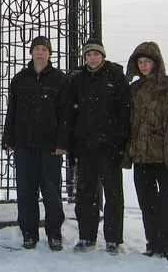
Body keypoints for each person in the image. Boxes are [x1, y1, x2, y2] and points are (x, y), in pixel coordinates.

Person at [1, 36, 71, 251]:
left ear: (50, 54)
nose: (40, 53)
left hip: (50, 146)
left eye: (44, 50)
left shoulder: (60, 79)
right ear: (31, 53)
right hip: (24, 145)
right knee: (25, 192)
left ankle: (54, 233)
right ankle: (29, 233)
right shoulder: (20, 79)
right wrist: (9, 139)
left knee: (51, 192)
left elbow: (66, 114)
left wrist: (62, 142)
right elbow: (11, 111)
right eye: (37, 49)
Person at [69, 38, 130, 254]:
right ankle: (87, 237)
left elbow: (124, 111)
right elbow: (71, 113)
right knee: (86, 193)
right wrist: (73, 143)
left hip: (109, 146)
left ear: (102, 56)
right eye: (88, 54)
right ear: (84, 57)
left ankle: (113, 239)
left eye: (96, 54)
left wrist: (120, 141)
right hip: (85, 146)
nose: (92, 58)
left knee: (113, 194)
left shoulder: (115, 76)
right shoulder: (78, 79)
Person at [125, 41, 168, 261]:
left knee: (166, 203)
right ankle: (152, 242)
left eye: (147, 61)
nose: (144, 65)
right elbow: (129, 122)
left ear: (156, 63)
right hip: (141, 155)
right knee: (146, 202)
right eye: (140, 62)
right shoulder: (134, 89)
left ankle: (166, 244)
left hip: (163, 156)